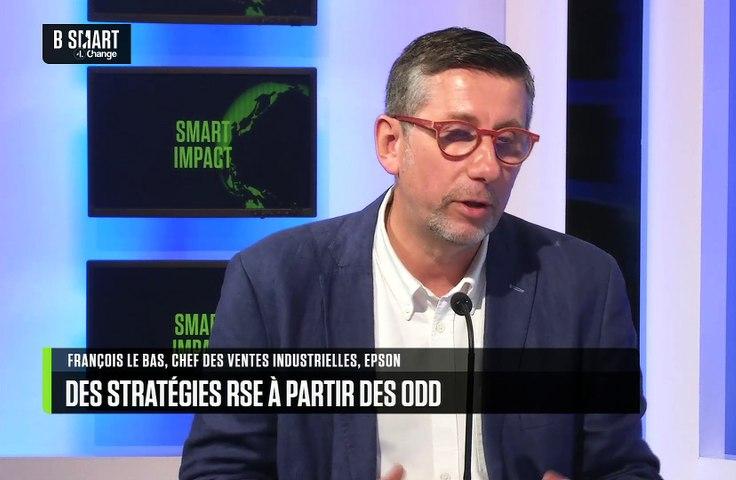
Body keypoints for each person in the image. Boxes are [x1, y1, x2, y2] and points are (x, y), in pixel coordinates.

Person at [179, 27, 661, 479]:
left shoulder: (582, 284)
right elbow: (219, 469)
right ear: (391, 144)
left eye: (508, 142)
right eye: (458, 135)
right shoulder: (274, 282)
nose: (488, 167)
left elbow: (624, 467)